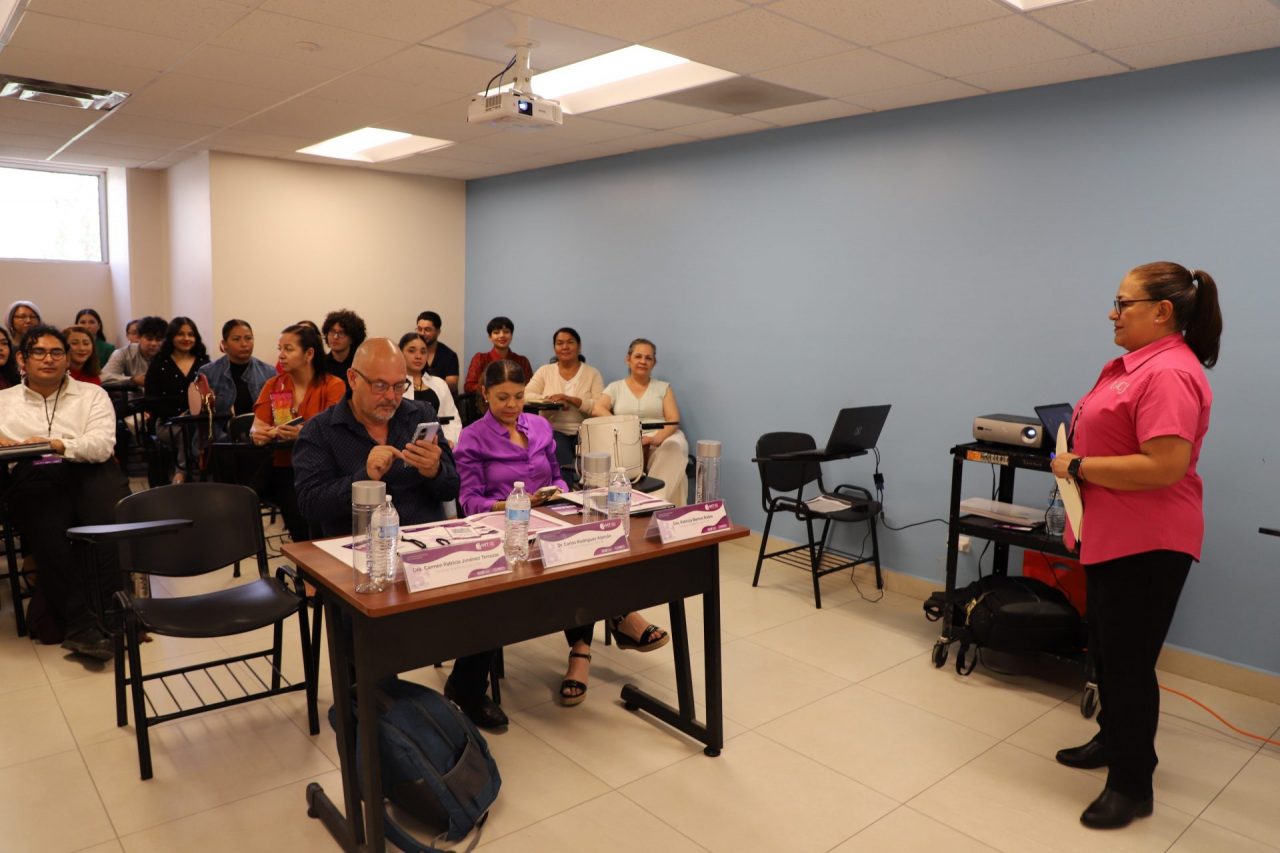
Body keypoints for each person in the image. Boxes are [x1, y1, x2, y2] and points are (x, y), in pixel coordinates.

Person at [1050, 262, 1222, 830]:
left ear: (1162, 311)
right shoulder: (1138, 364)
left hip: (1147, 544)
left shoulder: (1169, 372)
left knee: (1127, 666)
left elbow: (1164, 465)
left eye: (1122, 303)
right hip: (1112, 534)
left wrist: (1078, 465)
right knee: (1106, 652)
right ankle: (1113, 740)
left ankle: (1132, 785)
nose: (1112, 313)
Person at [293, 340, 506, 731]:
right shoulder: (320, 431)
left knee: (492, 594)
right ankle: (375, 703)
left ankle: (467, 688)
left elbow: (451, 487)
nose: (391, 397)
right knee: (363, 632)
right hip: (357, 560)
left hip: (427, 548)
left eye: (398, 385)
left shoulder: (419, 414)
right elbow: (309, 504)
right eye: (380, 386)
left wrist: (434, 470)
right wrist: (364, 477)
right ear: (352, 378)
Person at [454, 359, 669, 707]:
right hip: (505, 530)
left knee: (591, 545)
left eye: (518, 397)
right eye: (502, 397)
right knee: (570, 559)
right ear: (485, 394)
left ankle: (590, 641)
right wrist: (513, 504)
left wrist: (555, 492)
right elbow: (469, 502)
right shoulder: (473, 436)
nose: (512, 405)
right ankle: (615, 618)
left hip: (550, 517)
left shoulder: (539, 426)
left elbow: (557, 476)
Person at [0, 325, 130, 659]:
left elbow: (101, 445)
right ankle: (82, 624)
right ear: (22, 359)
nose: (49, 359)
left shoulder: (92, 394)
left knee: (105, 520)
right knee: (50, 529)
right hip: (32, 475)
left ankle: (113, 612)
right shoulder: (3, 402)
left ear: (67, 359)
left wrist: (55, 444)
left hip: (88, 468)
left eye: (57, 352)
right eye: (39, 352)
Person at [250, 324, 345, 541]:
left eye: (288, 349)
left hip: (325, 469)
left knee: (324, 525)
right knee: (301, 528)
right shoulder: (273, 384)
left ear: (309, 354)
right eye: (280, 349)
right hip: (285, 468)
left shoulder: (333, 385)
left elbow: (335, 432)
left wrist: (302, 434)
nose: (281, 355)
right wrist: (258, 433)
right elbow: (258, 426)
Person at [593, 338, 688, 506]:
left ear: (654, 363)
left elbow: (673, 420)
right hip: (628, 441)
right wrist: (624, 427)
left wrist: (656, 438)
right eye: (638, 356)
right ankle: (662, 508)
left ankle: (653, 503)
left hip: (662, 438)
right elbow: (597, 409)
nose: (643, 361)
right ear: (628, 359)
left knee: (675, 446)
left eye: (648, 358)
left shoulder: (664, 387)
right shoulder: (615, 387)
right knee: (679, 475)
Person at [525, 326, 604, 466]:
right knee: (561, 457)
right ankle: (563, 481)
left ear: (579, 347)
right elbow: (526, 395)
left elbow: (599, 405)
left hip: (586, 431)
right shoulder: (545, 371)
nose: (565, 347)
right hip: (553, 429)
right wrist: (552, 402)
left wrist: (572, 400)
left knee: (593, 463)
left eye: (570, 342)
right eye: (560, 343)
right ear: (554, 348)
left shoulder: (592, 373)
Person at [145, 317, 211, 483]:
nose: (186, 338)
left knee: (200, 429)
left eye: (191, 334)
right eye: (181, 334)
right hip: (167, 423)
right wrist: (177, 415)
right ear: (171, 337)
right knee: (186, 429)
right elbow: (151, 400)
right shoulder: (158, 363)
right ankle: (183, 473)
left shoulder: (204, 363)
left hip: (198, 421)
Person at [197, 319, 276, 418]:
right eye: (236, 339)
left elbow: (277, 412)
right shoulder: (207, 372)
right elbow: (202, 415)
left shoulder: (269, 372)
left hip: (259, 427)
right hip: (222, 427)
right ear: (224, 344)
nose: (244, 344)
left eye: (248, 338)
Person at [398, 332, 461, 445]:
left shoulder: (439, 383)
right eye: (412, 351)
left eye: (423, 352)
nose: (418, 356)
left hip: (439, 443)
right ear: (400, 353)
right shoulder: (395, 385)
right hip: (404, 445)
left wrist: (449, 441)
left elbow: (453, 419)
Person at [463, 316, 532, 394]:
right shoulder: (480, 358)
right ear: (490, 337)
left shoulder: (522, 361)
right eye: (496, 332)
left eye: (506, 332)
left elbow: (530, 387)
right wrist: (496, 389)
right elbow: (469, 387)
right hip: (486, 401)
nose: (502, 335)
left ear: (511, 335)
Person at [101, 315, 167, 395]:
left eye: (158, 339)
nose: (154, 343)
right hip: (134, 400)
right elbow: (103, 378)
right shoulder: (123, 353)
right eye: (149, 339)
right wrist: (132, 380)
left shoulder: (169, 354)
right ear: (139, 337)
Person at [321, 309, 366, 393]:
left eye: (341, 333)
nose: (335, 337)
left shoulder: (360, 364)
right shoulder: (320, 364)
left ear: (352, 338)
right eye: (332, 331)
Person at [415, 311, 460, 394]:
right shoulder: (409, 351)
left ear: (438, 331)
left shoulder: (449, 355)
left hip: (440, 398)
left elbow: (452, 384)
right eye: (419, 329)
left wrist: (422, 383)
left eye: (427, 330)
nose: (422, 333)